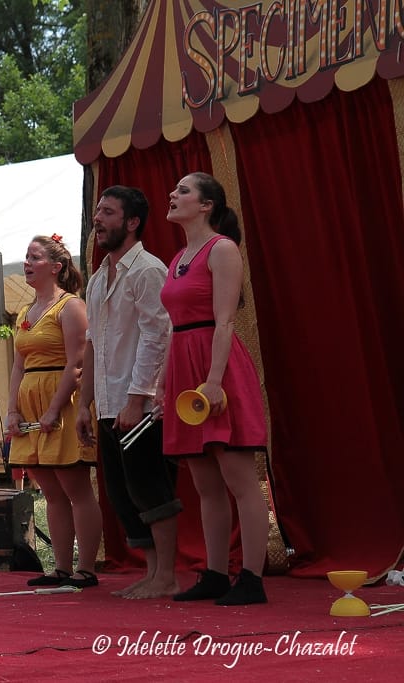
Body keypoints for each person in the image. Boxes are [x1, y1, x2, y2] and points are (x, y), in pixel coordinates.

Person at [160, 172, 269, 606]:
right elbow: (175, 324)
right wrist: (161, 387)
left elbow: (225, 321)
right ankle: (217, 573)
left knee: (238, 477)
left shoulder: (221, 249)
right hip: (183, 365)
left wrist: (214, 379)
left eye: (183, 191)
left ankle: (253, 579)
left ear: (206, 205)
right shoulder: (177, 258)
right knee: (205, 482)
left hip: (214, 365)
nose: (173, 195)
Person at [75, 186, 182, 599]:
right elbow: (93, 345)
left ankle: (167, 575)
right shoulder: (100, 276)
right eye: (97, 212)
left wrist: (138, 398)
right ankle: (154, 571)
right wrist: (84, 403)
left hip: (141, 402)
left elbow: (158, 337)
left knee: (151, 485)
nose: (98, 220)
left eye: (108, 213)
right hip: (109, 401)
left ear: (132, 222)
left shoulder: (148, 270)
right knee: (124, 492)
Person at [7, 234, 102, 589]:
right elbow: (19, 365)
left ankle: (87, 568)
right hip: (31, 405)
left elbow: (77, 363)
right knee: (50, 491)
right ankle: (61, 566)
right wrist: (11, 410)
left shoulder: (71, 306)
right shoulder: (25, 312)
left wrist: (54, 409)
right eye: (26, 257)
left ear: (56, 267)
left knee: (76, 487)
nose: (27, 263)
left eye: (34, 257)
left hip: (60, 402)